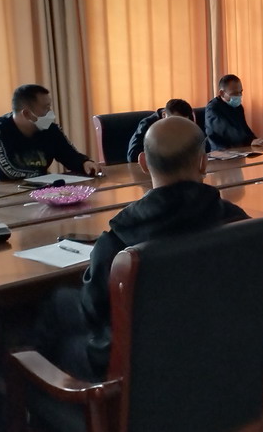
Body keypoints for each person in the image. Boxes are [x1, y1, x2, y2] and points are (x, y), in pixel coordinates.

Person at [35, 116, 249, 381]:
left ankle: (44, 393)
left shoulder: (119, 240)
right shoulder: (239, 222)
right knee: (60, 301)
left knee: (57, 323)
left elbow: (94, 311)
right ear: (203, 162)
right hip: (217, 344)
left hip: (137, 362)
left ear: (144, 164)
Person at [0, 84, 101, 184]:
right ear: (27, 114)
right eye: (46, 108)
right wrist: (49, 178)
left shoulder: (49, 129)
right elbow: (6, 173)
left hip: (38, 191)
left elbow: (69, 155)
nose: (51, 113)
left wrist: (84, 163)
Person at [205, 74, 263, 151]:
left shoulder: (238, 107)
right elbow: (228, 132)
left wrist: (257, 141)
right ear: (222, 93)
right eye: (234, 93)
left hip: (240, 150)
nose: (239, 96)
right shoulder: (213, 108)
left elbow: (245, 129)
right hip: (222, 152)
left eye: (240, 92)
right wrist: (250, 142)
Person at [126, 98, 194, 163]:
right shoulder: (147, 124)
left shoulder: (187, 123)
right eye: (174, 121)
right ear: (164, 115)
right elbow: (132, 155)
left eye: (183, 123)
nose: (178, 127)